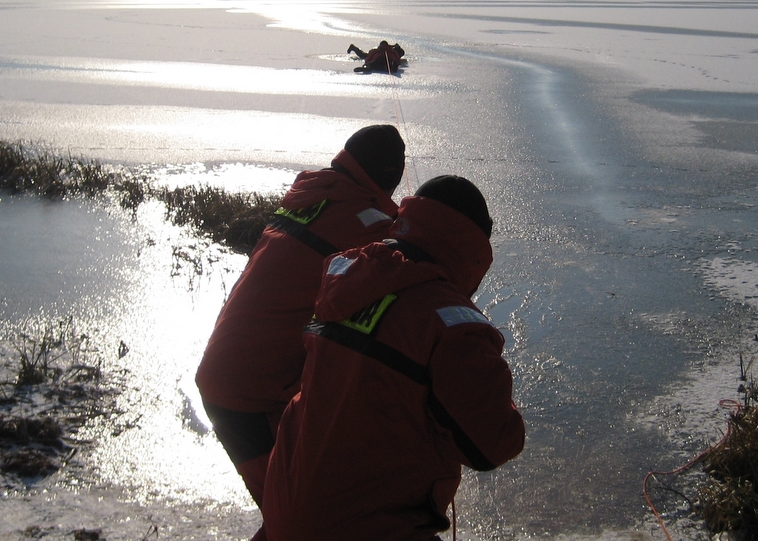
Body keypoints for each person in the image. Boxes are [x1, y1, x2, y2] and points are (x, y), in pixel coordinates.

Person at [261, 175, 526, 541]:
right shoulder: (454, 325)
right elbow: (493, 444)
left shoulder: (345, 272)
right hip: (367, 527)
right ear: (474, 248)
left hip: (284, 513)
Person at [195, 125, 406, 514]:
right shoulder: (367, 224)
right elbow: (402, 264)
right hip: (249, 394)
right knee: (301, 519)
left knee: (297, 513)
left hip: (225, 375)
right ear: (388, 177)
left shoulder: (311, 195)